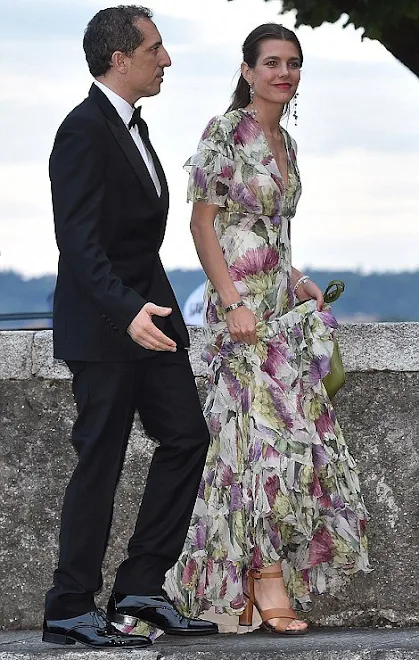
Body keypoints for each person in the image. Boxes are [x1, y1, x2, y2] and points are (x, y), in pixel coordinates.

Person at [165, 23, 371, 635]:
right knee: (253, 448)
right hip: (241, 316)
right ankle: (265, 579)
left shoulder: (289, 142)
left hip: (282, 313)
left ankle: (255, 582)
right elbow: (204, 227)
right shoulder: (225, 133)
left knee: (287, 450)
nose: (284, 73)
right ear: (248, 70)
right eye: (272, 63)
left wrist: (299, 278)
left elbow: (270, 234)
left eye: (293, 64)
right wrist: (231, 304)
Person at [43, 5, 218, 648]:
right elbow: (79, 244)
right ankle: (68, 607)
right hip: (105, 325)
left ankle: (140, 586)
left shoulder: (134, 127)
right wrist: (127, 312)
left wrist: (162, 313)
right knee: (102, 462)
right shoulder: (83, 130)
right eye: (156, 48)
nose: (165, 59)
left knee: (186, 438)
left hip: (154, 320)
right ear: (122, 58)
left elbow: (140, 247)